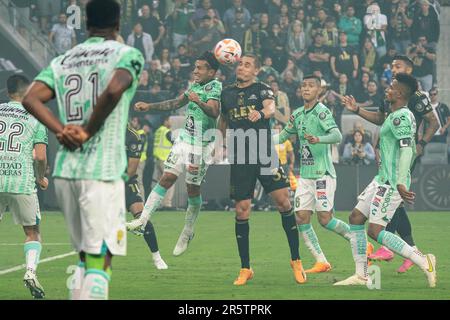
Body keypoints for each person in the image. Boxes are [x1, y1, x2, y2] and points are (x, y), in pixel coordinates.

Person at [22, 0, 145, 300]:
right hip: (102, 171)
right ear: (117, 24)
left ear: (87, 24)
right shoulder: (126, 54)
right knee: (101, 259)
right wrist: (87, 130)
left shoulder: (63, 59)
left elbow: (31, 98)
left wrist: (61, 130)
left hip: (67, 172)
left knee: (85, 256)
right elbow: (116, 88)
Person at [336, 74, 436, 287]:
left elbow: (408, 150)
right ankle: (362, 275)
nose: (387, 89)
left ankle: (422, 259)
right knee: (355, 218)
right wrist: (356, 109)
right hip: (381, 179)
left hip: (392, 183)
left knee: (375, 230)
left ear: (399, 93)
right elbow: (379, 119)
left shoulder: (403, 117)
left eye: (391, 87)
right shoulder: (393, 115)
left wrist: (400, 182)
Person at [219, 54, 305, 286]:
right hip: (240, 157)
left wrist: (262, 113)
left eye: (247, 65)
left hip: (264, 153)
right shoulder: (226, 93)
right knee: (241, 210)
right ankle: (245, 268)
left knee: (284, 203)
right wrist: (220, 142)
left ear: (256, 70)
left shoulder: (262, 88)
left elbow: (270, 108)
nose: (242, 68)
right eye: (240, 64)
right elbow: (223, 121)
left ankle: (296, 260)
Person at [274, 75, 371, 274]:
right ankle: (321, 261)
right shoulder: (298, 114)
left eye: (310, 86)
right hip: (306, 176)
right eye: (303, 86)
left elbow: (336, 135)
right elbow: (283, 135)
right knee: (301, 217)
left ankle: (360, 241)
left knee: (325, 219)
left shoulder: (322, 112)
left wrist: (318, 138)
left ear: (319, 91)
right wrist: (260, 138)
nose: (306, 89)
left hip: (323, 174)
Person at [128, 51, 222, 257]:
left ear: (212, 72)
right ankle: (142, 220)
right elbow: (173, 103)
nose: (195, 71)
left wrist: (198, 101)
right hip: (184, 141)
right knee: (167, 178)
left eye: (200, 68)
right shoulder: (194, 86)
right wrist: (148, 107)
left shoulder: (215, 87)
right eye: (195, 67)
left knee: (192, 190)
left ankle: (188, 231)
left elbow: (214, 112)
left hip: (201, 145)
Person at [0, 75, 48, 299]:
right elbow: (40, 157)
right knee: (32, 232)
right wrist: (41, 177)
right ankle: (30, 272)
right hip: (21, 181)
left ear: (8, 92)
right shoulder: (36, 117)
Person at [125, 118, 167, 270]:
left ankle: (157, 257)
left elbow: (132, 169)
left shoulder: (133, 137)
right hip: (105, 184)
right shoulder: (103, 135)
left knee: (142, 217)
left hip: (125, 182)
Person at [152, 116, 175, 209]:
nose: (171, 123)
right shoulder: (167, 131)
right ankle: (167, 204)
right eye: (169, 121)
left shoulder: (158, 131)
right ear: (165, 121)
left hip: (158, 159)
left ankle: (158, 204)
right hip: (165, 159)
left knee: (160, 183)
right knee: (170, 181)